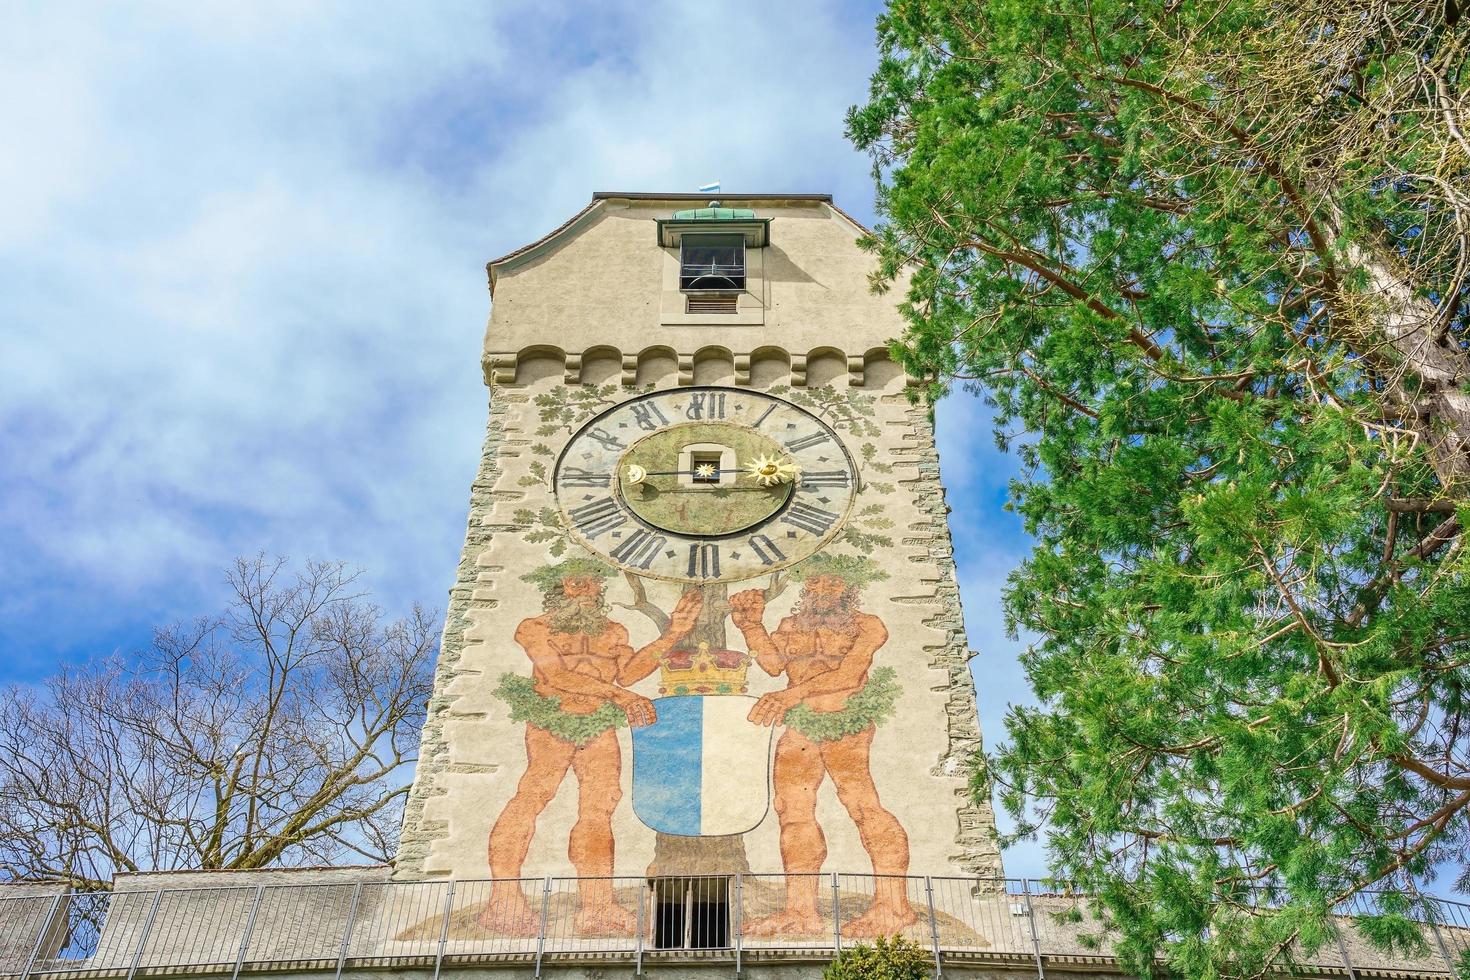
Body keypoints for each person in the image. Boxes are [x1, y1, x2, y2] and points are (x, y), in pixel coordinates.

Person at [480, 557, 701, 935]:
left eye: (591, 584)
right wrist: (620, 696)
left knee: (599, 810)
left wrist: (671, 635)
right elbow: (557, 674)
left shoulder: (613, 631)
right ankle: (504, 899)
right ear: (558, 588)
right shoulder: (534, 627)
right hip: (552, 721)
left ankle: (598, 906)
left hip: (598, 725)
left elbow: (630, 672)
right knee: (533, 795)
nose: (585, 590)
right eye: (575, 583)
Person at [728, 554, 912, 937]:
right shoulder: (791, 625)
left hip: (846, 724)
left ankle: (893, 907)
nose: (823, 591)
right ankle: (801, 912)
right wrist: (751, 626)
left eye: (833, 583)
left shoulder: (867, 625)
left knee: (863, 806)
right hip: (801, 727)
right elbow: (774, 665)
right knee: (793, 814)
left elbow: (848, 675)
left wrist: (791, 696)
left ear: (849, 588)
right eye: (816, 584)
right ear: (806, 589)